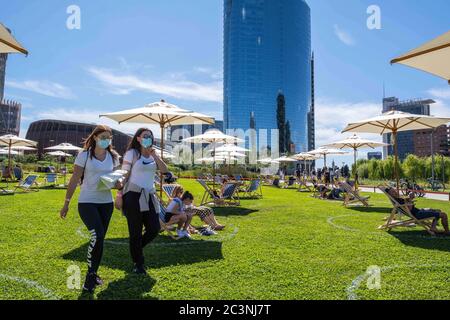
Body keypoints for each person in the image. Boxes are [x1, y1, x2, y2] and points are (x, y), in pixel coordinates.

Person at [60, 125, 120, 293]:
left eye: (109, 137)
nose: (107, 140)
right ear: (95, 137)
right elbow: (74, 179)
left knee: (100, 240)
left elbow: (116, 180)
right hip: (87, 202)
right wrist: (66, 202)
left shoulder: (114, 157)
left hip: (106, 204)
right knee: (98, 235)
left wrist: (119, 184)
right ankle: (90, 276)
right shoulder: (84, 155)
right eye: (103, 137)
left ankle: (92, 273)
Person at [115, 128, 168, 275]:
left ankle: (136, 248)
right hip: (132, 195)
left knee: (154, 228)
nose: (148, 139)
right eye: (145, 136)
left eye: (150, 137)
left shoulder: (153, 155)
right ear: (138, 138)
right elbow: (124, 173)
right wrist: (119, 192)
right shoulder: (132, 153)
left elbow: (165, 170)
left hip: (149, 195)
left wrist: (156, 156)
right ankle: (138, 263)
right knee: (135, 232)